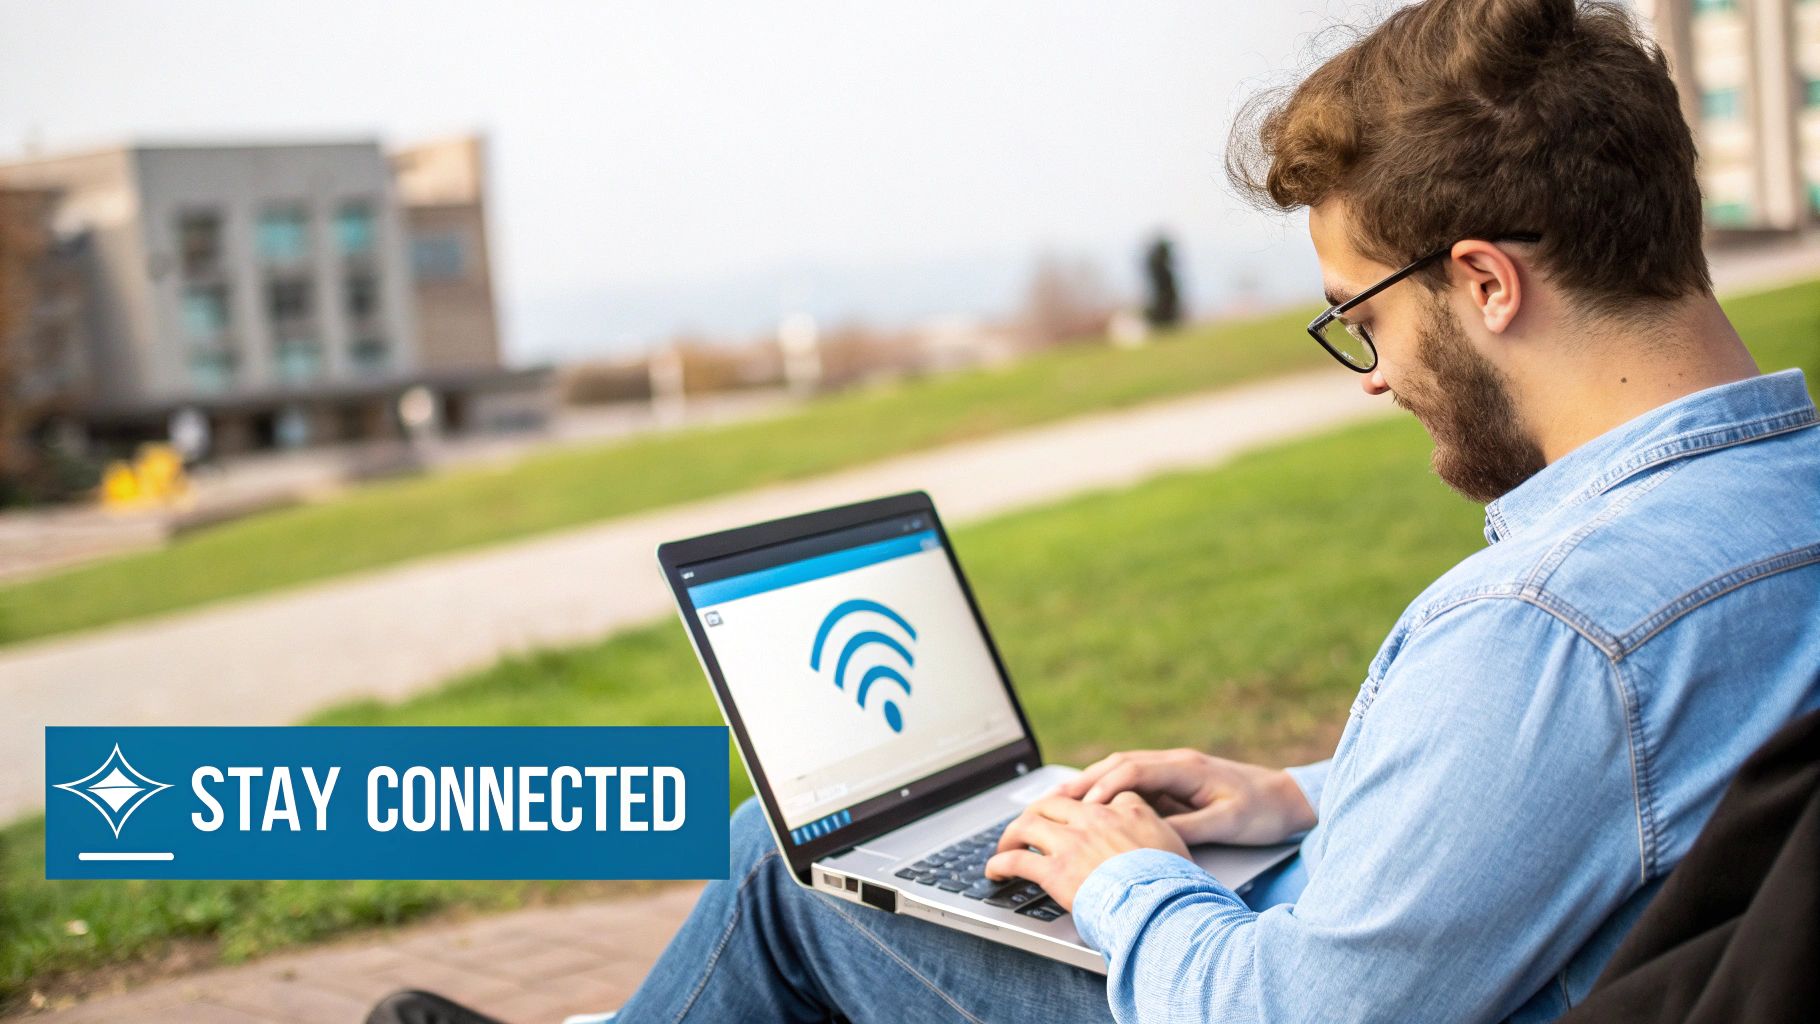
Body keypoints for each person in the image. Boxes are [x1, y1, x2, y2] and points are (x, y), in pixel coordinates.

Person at [371, 0, 1820, 1020]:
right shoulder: (1784, 502)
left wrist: (1126, 888)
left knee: (794, 869)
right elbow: (1625, 789)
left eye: (1360, 319)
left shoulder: (1550, 624)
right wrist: (1309, 796)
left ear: (1487, 282)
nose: (1374, 380)